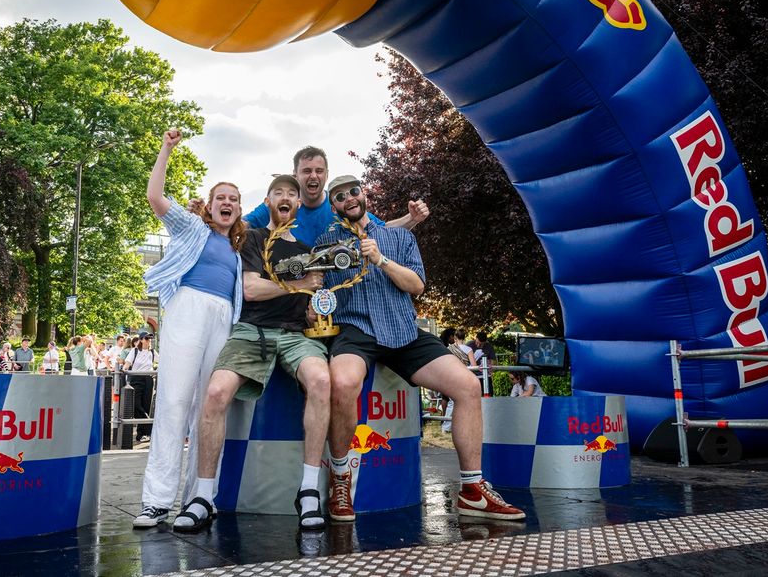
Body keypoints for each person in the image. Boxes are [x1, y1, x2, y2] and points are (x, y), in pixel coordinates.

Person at [318, 175, 524, 522]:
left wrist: (381, 260)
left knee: (469, 386)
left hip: (403, 329)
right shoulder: (326, 243)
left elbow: (417, 285)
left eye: (353, 191)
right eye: (339, 196)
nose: (349, 199)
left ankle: (472, 490)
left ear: (364, 193)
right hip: (356, 330)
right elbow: (318, 292)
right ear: (333, 206)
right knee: (343, 383)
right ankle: (340, 477)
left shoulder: (399, 237)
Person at [172, 174, 330, 533]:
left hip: (294, 334)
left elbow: (308, 304)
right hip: (251, 330)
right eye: (278, 192)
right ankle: (203, 496)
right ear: (269, 202)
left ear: (298, 204)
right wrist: (301, 284)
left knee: (321, 381)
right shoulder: (253, 237)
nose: (286, 197)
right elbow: (251, 289)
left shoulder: (308, 249)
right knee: (215, 392)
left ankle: (308, 492)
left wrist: (314, 307)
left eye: (292, 193)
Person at [132, 129, 246, 530]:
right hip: (188, 309)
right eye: (221, 198)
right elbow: (155, 198)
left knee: (209, 408)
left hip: (224, 319)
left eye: (233, 199)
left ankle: (201, 497)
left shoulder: (239, 249)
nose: (227, 203)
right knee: (174, 402)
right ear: (210, 206)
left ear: (238, 209)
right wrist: (166, 148)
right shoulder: (191, 228)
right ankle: (157, 500)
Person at [239, 146, 430, 246]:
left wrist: (412, 219)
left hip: (333, 292)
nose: (313, 176)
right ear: (296, 175)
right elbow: (242, 226)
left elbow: (381, 230)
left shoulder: (339, 203)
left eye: (319, 171)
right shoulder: (280, 204)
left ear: (326, 175)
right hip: (290, 289)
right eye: (306, 171)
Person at [439, 328, 475, 433]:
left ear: (455, 337)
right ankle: (465, 426)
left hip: (452, 376)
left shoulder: (449, 349)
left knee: (451, 403)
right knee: (466, 401)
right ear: (465, 337)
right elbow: (473, 366)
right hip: (465, 376)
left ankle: (446, 427)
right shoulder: (468, 350)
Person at [125, 334, 157, 442]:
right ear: (141, 340)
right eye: (147, 338)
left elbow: (163, 361)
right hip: (136, 378)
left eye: (150, 339)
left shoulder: (152, 352)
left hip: (148, 379)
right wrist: (123, 370)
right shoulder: (134, 351)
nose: (149, 341)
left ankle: (141, 434)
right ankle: (148, 426)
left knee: (146, 405)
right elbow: (127, 364)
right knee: (136, 405)